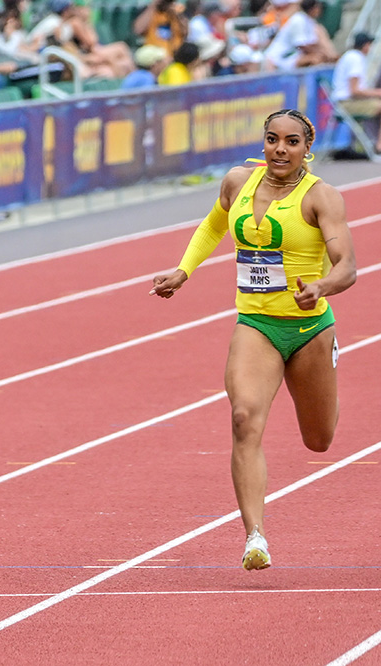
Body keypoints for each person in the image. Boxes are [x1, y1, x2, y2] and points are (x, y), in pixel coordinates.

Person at [150, 109, 356, 571]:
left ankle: (330, 369)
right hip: (256, 324)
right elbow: (213, 226)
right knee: (244, 418)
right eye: (272, 139)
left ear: (308, 147)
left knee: (319, 440)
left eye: (291, 142)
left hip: (308, 329)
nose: (280, 149)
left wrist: (320, 287)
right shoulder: (237, 182)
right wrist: (184, 270)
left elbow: (347, 264)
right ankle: (255, 537)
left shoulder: (322, 197)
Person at [331, 32, 381, 153]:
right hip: (346, 104)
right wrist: (377, 93)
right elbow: (354, 91)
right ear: (365, 46)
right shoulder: (356, 59)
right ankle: (379, 145)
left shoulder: (350, 56)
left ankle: (374, 142)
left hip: (344, 102)